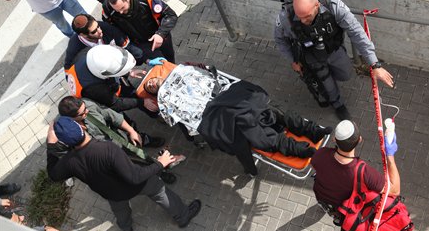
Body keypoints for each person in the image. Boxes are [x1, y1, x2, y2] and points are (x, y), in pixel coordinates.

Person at [137, 59, 333, 175]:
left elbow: (207, 75)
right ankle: (304, 150)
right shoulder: (165, 99)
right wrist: (156, 100)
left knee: (272, 112)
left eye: (152, 80)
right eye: (150, 86)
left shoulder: (181, 71)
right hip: (215, 115)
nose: (153, 83)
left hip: (226, 96)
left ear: (160, 75)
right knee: (262, 136)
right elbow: (178, 117)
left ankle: (313, 130)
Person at [47, 117, 201, 231]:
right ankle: (183, 216)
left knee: (120, 210)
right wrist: (160, 163)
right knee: (160, 191)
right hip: (138, 185)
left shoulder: (69, 161)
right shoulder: (107, 148)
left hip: (112, 193)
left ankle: (126, 227)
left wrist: (50, 147)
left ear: (64, 142)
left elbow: (53, 175)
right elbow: (135, 177)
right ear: (82, 126)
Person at [274, 0, 394, 120]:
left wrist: (375, 64)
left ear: (317, 5)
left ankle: (328, 76)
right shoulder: (286, 16)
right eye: (300, 17)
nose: (303, 21)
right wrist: (293, 60)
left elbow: (357, 32)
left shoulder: (333, 6)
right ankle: (338, 104)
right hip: (311, 56)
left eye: (307, 17)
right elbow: (280, 40)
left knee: (345, 74)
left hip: (333, 50)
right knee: (327, 84)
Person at [49, 96, 185, 183]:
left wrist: (131, 131)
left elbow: (110, 115)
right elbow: (64, 159)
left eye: (85, 109)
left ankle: (158, 169)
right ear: (70, 119)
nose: (87, 113)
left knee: (140, 156)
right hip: (105, 158)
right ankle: (157, 174)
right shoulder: (62, 133)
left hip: (118, 140)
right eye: (82, 114)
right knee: (131, 169)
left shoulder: (87, 106)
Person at [311, 120, 400, 212]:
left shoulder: (321, 153)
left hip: (321, 197)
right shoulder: (365, 173)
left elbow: (315, 166)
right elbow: (394, 190)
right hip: (344, 210)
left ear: (334, 139)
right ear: (360, 140)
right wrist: (390, 155)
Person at [65, 44, 156, 113]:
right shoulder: (96, 89)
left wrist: (128, 72)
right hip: (94, 100)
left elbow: (114, 63)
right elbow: (115, 104)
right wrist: (140, 102)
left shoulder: (93, 53)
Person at [103, 0, 177, 63]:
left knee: (170, 58)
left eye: (122, 8)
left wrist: (161, 34)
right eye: (117, 10)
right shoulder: (107, 10)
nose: (120, 12)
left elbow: (170, 15)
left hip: (159, 35)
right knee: (161, 65)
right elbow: (112, 30)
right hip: (142, 44)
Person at [65, 13, 145, 69]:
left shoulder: (104, 27)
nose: (100, 31)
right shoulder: (74, 48)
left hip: (115, 58)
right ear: (83, 35)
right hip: (98, 70)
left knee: (138, 54)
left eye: (98, 26)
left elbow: (124, 43)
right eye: (94, 31)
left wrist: (146, 60)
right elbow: (69, 71)